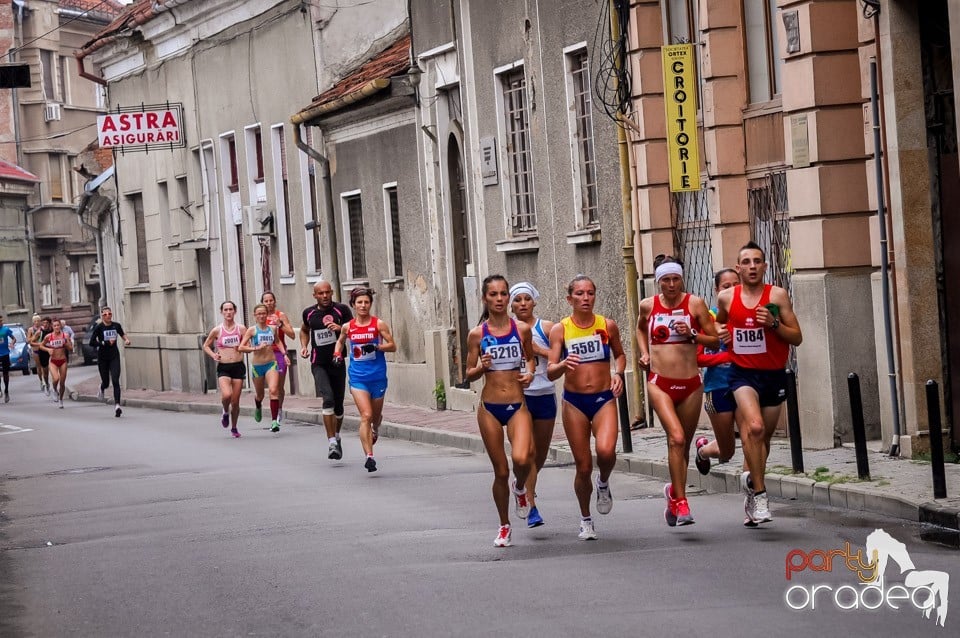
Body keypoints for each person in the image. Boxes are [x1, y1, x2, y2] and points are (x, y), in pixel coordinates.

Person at [715, 241, 803, 526]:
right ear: (738, 268)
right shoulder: (727, 298)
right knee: (754, 427)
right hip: (742, 375)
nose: (753, 266)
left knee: (762, 441)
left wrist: (774, 325)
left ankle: (751, 487)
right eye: (747, 262)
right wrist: (722, 334)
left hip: (773, 374)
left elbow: (797, 337)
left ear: (765, 266)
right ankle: (762, 494)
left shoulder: (777, 295)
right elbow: (719, 324)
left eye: (758, 261)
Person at [637, 256, 718, 527]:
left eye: (675, 279)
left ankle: (673, 493)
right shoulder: (648, 305)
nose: (671, 285)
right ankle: (683, 504)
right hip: (659, 382)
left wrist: (693, 334)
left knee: (682, 446)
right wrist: (645, 353)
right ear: (658, 281)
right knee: (677, 438)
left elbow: (715, 339)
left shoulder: (694, 304)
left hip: (691, 383)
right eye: (665, 280)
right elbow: (639, 329)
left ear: (682, 279)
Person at [547, 275, 627, 541]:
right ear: (569, 299)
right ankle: (585, 519)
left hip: (604, 398)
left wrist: (619, 374)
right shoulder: (561, 329)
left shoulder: (607, 325)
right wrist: (562, 364)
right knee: (583, 466)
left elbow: (620, 354)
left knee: (606, 451)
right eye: (579, 294)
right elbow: (550, 371)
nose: (585, 298)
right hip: (574, 402)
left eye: (590, 293)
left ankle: (603, 482)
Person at [465, 275, 536, 547]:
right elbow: (468, 374)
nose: (499, 299)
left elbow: (530, 358)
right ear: (485, 298)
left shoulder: (521, 330)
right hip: (490, 408)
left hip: (517, 405)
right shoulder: (477, 334)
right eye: (493, 294)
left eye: (503, 294)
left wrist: (529, 373)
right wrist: (482, 367)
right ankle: (504, 525)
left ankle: (520, 488)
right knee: (501, 471)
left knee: (521, 459)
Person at [333, 287, 396, 472]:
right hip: (358, 376)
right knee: (366, 415)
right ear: (353, 304)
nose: (363, 305)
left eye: (366, 302)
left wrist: (377, 348)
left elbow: (393, 346)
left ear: (370, 304)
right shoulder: (348, 326)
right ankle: (369, 457)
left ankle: (376, 428)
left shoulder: (378, 324)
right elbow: (340, 340)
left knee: (374, 418)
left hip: (377, 377)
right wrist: (337, 353)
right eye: (359, 302)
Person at [509, 281, 555, 528]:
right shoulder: (505, 330)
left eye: (527, 298)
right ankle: (531, 503)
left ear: (534, 301)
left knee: (540, 455)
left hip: (545, 393)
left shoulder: (546, 327)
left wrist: (538, 350)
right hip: (520, 398)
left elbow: (564, 358)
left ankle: (521, 486)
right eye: (517, 300)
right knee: (527, 453)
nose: (523, 303)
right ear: (511, 305)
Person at [694, 269, 741, 476]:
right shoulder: (709, 319)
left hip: (745, 383)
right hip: (718, 388)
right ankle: (703, 451)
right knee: (727, 451)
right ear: (717, 291)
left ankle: (755, 489)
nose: (732, 290)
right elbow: (698, 358)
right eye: (726, 286)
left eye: (736, 285)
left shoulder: (747, 314)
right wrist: (728, 357)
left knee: (752, 436)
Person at [300, 281, 353, 460]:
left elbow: (353, 330)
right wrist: (303, 346)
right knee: (327, 399)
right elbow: (304, 330)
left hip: (337, 362)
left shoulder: (342, 310)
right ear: (314, 295)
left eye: (327, 292)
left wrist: (340, 329)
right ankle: (331, 442)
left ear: (332, 293)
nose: (324, 296)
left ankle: (337, 437)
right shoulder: (309, 313)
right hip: (318, 363)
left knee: (338, 405)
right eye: (320, 293)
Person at [202, 301, 246, 438]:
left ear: (235, 311)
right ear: (221, 312)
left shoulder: (241, 329)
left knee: (236, 401)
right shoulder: (217, 330)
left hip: (238, 366)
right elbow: (206, 345)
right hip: (224, 367)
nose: (228, 312)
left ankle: (234, 427)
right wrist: (213, 355)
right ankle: (225, 411)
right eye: (225, 310)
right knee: (227, 395)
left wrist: (242, 347)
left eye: (231, 309)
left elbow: (248, 344)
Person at [240, 304, 283, 433]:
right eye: (259, 314)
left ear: (267, 315)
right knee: (260, 394)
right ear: (255, 316)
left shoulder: (273, 328)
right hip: (258, 366)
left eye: (264, 313)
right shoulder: (252, 330)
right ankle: (258, 405)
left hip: (271, 363)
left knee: (274, 390)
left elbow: (278, 341)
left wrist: (284, 354)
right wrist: (255, 348)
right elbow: (241, 347)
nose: (261, 316)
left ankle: (274, 421)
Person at [88, 307, 131, 418]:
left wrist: (126, 339)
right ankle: (102, 387)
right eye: (105, 314)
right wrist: (103, 342)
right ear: (102, 316)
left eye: (109, 314)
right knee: (106, 382)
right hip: (102, 358)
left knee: (116, 380)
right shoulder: (99, 328)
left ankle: (117, 406)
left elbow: (122, 334)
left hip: (114, 356)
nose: (108, 316)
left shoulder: (116, 325)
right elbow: (92, 342)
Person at [262, 291, 295, 425]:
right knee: (272, 387)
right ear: (263, 303)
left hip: (279, 353)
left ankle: (279, 409)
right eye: (266, 301)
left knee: (279, 386)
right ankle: (274, 414)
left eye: (271, 300)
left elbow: (292, 334)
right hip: (265, 354)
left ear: (275, 301)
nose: (269, 303)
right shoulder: (261, 316)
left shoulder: (281, 316)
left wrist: (280, 324)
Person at [40, 319, 72, 408]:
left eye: (58, 325)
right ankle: (54, 389)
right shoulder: (48, 336)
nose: (57, 327)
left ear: (60, 326)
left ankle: (61, 400)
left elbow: (70, 348)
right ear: (52, 327)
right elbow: (41, 346)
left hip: (63, 361)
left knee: (62, 382)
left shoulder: (65, 335)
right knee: (56, 379)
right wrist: (48, 349)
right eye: (55, 326)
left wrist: (66, 342)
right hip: (53, 361)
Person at [31, 317, 52, 396]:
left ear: (50, 323)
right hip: (43, 352)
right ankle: (47, 384)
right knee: (45, 373)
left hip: (52, 353)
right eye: (44, 323)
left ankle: (55, 387)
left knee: (54, 371)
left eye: (47, 323)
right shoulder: (39, 332)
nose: (45, 325)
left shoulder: (53, 331)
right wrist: (40, 344)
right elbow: (31, 342)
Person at [26, 315, 46, 393]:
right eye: (35, 321)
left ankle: (45, 380)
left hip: (43, 349)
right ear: (33, 322)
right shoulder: (31, 329)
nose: (37, 322)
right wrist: (35, 335)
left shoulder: (43, 329)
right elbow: (28, 340)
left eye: (38, 321)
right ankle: (41, 380)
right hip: (35, 350)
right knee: (39, 366)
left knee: (44, 366)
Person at [0, 314, 15, 403]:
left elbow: (13, 338)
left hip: (5, 354)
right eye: (0, 321)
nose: (1, 323)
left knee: (6, 374)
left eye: (2, 321)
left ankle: (6, 390)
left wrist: (12, 343)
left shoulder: (6, 329)